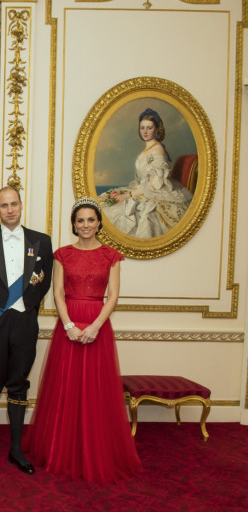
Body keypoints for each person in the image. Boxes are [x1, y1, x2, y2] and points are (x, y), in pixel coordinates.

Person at [22, 197, 142, 483]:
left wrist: (96, 326)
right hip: (70, 326)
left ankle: (95, 450)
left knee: (96, 390)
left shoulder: (111, 255)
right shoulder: (62, 254)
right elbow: (58, 294)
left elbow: (112, 296)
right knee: (66, 387)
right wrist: (69, 325)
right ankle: (61, 450)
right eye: (80, 220)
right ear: (74, 225)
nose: (85, 225)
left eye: (90, 219)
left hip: (97, 326)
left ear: (99, 222)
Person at [0, 186, 53, 475]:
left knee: (18, 383)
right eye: (4, 205)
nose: (10, 209)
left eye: (14, 203)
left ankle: (16, 448)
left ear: (21, 204)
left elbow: (44, 282)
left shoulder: (42, 241)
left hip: (24, 321)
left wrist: (24, 305)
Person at [98, 108, 193, 238]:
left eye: (149, 127)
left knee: (116, 215)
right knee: (104, 205)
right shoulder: (147, 150)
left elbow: (154, 185)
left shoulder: (158, 150)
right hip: (143, 191)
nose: (145, 131)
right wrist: (125, 193)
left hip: (156, 195)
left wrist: (128, 196)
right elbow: (141, 182)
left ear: (157, 129)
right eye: (142, 127)